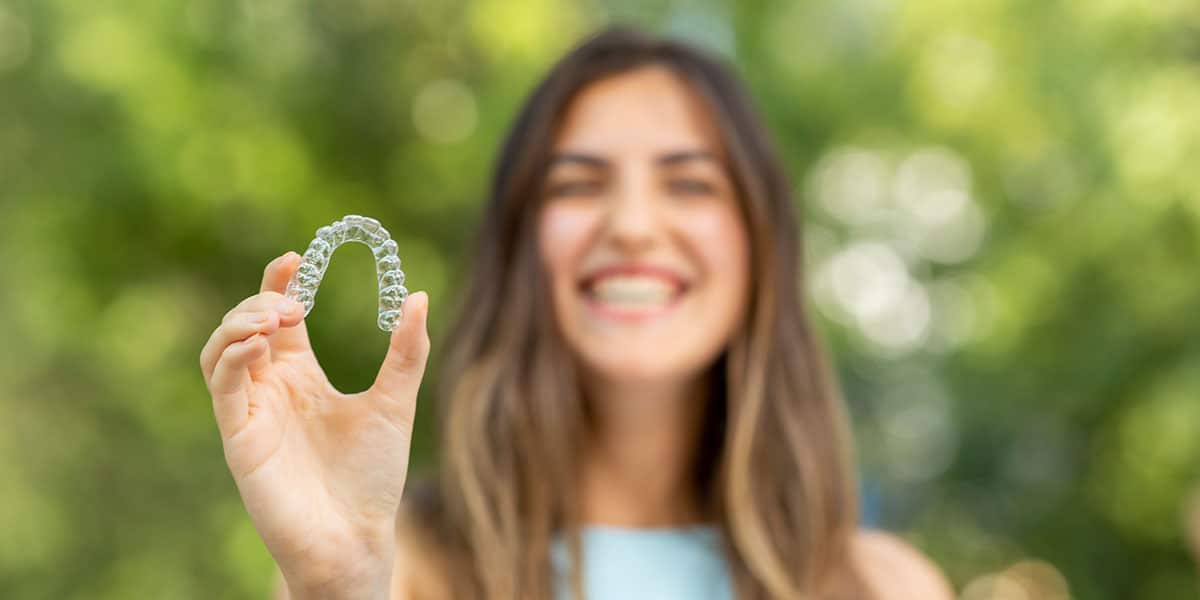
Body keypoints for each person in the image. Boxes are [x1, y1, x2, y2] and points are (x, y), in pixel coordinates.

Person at [200, 27, 953, 600]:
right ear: (521, 247)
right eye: (578, 185)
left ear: (761, 243)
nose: (630, 225)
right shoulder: (399, 568)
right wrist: (339, 589)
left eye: (688, 184)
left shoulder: (888, 586)